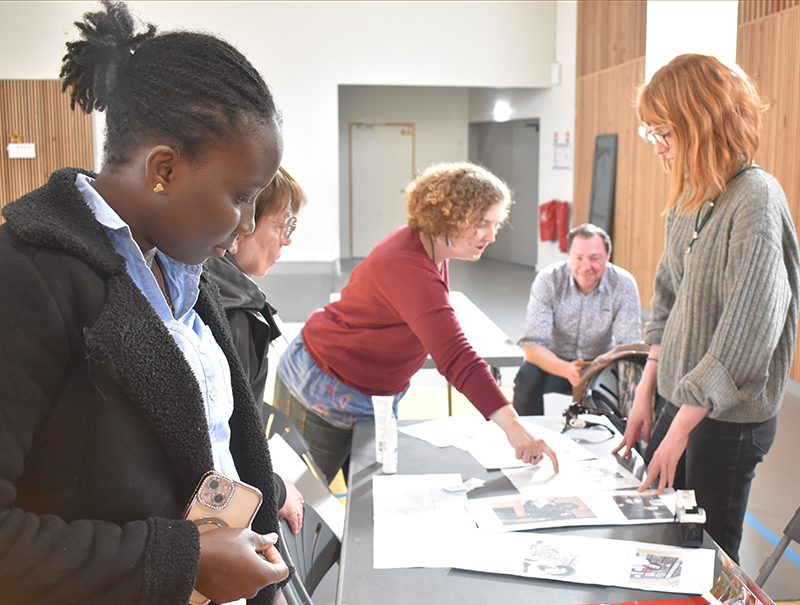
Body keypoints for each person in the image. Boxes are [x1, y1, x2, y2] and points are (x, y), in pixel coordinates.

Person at [0, 1, 298, 605]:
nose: (247, 225)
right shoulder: (26, 279)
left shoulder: (187, 271)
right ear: (163, 168)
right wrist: (180, 566)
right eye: (241, 197)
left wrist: (263, 604)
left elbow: (215, 447)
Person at [614, 53, 800, 564]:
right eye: (649, 132)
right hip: (681, 399)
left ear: (701, 122)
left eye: (664, 132)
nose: (657, 147)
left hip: (728, 418)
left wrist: (679, 431)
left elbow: (745, 337)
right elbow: (667, 299)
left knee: (705, 554)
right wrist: (644, 393)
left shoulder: (756, 198)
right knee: (658, 534)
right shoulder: (691, 196)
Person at [275, 162, 559, 483]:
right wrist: (515, 429)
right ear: (449, 218)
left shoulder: (431, 248)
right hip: (324, 385)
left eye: (495, 223)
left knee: (371, 493)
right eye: (481, 224)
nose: (491, 236)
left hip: (372, 392)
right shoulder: (409, 265)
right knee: (303, 497)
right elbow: (457, 358)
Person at [206, 167, 306, 534]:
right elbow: (229, 440)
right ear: (242, 223)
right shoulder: (234, 312)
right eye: (284, 226)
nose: (287, 240)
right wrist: (275, 490)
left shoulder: (218, 290)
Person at [513, 223, 642, 415]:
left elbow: (629, 347)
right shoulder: (548, 280)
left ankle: (625, 441)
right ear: (569, 256)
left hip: (601, 364)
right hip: (555, 363)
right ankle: (530, 438)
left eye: (595, 258)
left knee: (634, 378)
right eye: (578, 258)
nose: (585, 266)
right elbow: (533, 346)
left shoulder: (623, 283)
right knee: (526, 379)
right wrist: (565, 368)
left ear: (607, 256)